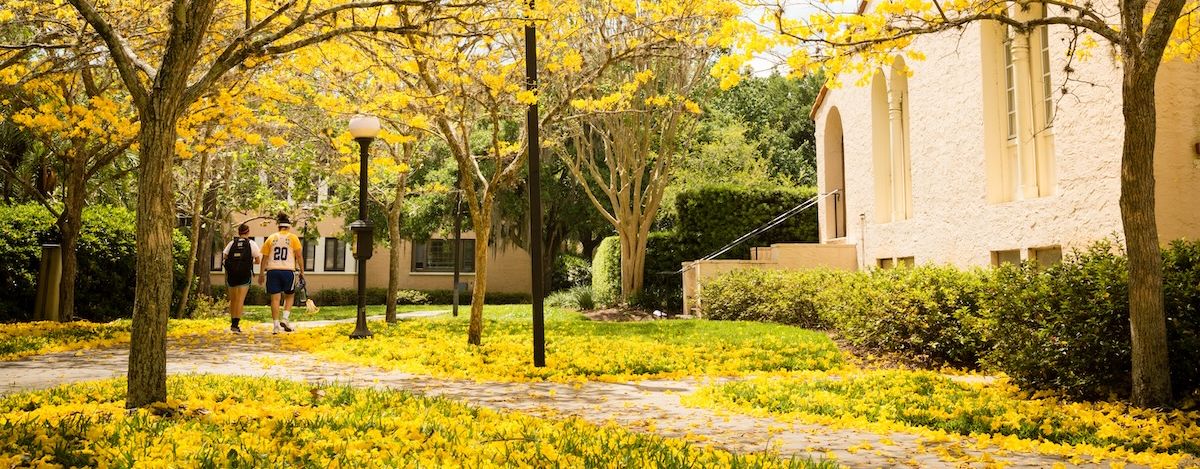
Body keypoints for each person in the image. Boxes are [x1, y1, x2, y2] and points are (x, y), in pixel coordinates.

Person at [259, 213, 304, 334]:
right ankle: (285, 318)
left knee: (275, 299)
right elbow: (299, 256)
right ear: (288, 227)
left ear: (278, 227)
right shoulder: (293, 238)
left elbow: (264, 258)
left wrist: (261, 273)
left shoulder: (271, 238)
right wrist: (302, 272)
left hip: (272, 270)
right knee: (289, 295)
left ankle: (275, 326)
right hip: (288, 270)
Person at [222, 224, 261, 333]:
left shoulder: (232, 243)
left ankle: (232, 323)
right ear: (248, 232)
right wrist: (248, 262)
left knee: (233, 299)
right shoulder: (251, 244)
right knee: (240, 300)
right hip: (244, 275)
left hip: (232, 275)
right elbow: (258, 260)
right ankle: (236, 324)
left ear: (238, 232)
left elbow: (225, 256)